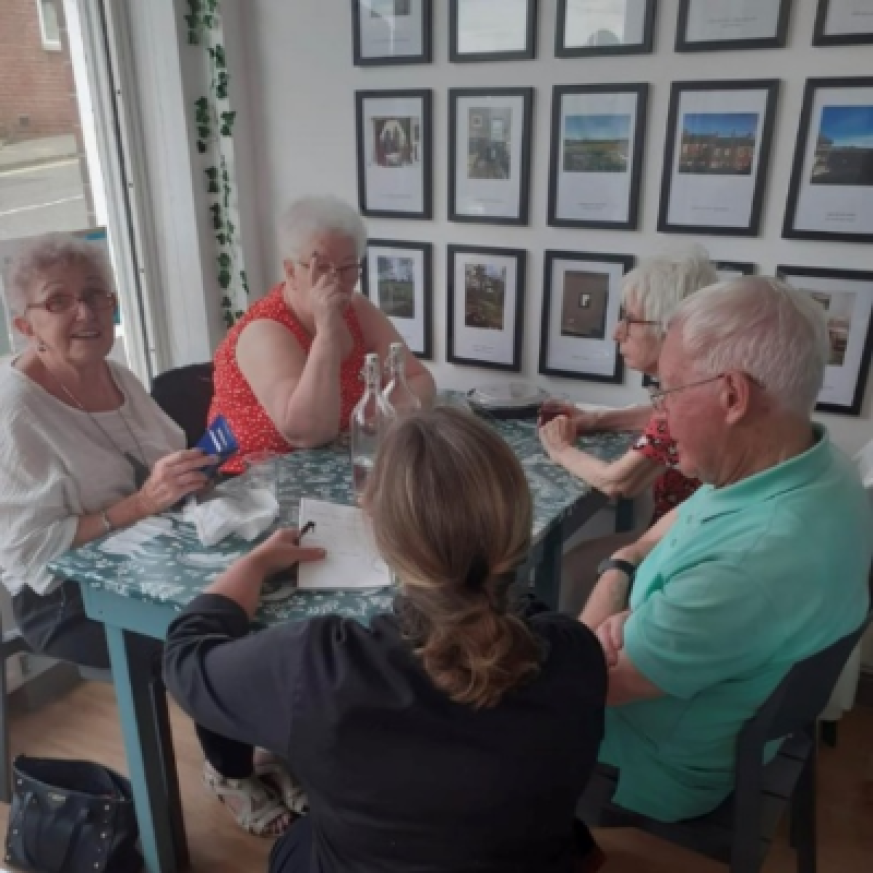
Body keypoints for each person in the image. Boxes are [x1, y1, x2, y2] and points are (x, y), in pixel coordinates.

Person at [164, 408, 608, 873]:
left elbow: (185, 656)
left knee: (296, 844)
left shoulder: (321, 667)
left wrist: (253, 565)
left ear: (377, 526)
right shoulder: (576, 653)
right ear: (517, 527)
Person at [0, 233, 296, 837]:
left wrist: (192, 470)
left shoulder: (114, 373)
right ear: (24, 324)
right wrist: (142, 502)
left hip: (152, 554)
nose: (84, 313)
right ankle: (230, 770)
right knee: (210, 639)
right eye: (57, 302)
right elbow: (28, 552)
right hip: (66, 595)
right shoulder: (15, 414)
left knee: (280, 594)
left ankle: (268, 745)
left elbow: (162, 458)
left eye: (95, 296)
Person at [580, 277, 871, 825]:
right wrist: (635, 567)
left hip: (655, 764)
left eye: (665, 391)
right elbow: (681, 517)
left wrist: (616, 572)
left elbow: (588, 684)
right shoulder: (812, 463)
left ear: (733, 396)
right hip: (731, 718)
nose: (658, 417)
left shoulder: (752, 559)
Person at [538, 247, 717, 614]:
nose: (618, 333)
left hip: (689, 551)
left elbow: (618, 484)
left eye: (630, 320)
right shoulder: (699, 383)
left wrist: (559, 449)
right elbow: (656, 417)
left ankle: (581, 658)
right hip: (691, 533)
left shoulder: (686, 401)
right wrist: (597, 420)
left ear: (670, 329)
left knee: (574, 566)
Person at [208, 196, 435, 472]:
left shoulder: (356, 309)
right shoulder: (264, 331)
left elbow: (416, 378)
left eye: (348, 267)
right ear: (291, 271)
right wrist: (327, 331)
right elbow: (307, 433)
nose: (336, 280)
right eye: (322, 267)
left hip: (339, 468)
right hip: (255, 487)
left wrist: (380, 420)